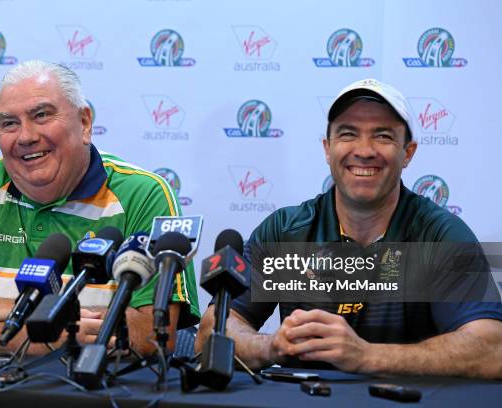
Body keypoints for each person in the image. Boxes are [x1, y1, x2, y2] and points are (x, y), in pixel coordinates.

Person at [196, 78, 502, 378]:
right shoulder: (287, 230)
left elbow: (493, 350)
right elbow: (213, 330)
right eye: (348, 134)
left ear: (407, 152)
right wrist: (271, 347)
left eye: (382, 136)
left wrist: (366, 356)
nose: (364, 150)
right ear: (328, 149)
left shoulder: (438, 234)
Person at [0, 60, 200, 355]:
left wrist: (13, 311)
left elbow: (151, 333)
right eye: (9, 123)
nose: (26, 136)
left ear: (84, 123)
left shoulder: (144, 195)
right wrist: (62, 335)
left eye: (42, 115)